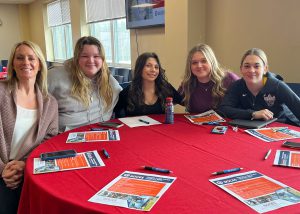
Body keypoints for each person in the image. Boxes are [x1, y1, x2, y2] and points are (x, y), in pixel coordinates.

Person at [0, 41, 58, 214]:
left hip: (29, 169)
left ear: (39, 65)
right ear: (13, 64)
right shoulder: (1, 92)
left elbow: (50, 140)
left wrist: (25, 164)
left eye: (31, 58)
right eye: (20, 58)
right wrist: (3, 169)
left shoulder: (50, 103)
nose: (26, 62)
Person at [48, 36, 122, 132]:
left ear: (102, 60)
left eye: (96, 56)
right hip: (64, 136)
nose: (91, 61)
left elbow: (122, 97)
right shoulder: (54, 76)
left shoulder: (109, 81)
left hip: (100, 134)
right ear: (76, 58)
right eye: (85, 56)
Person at [218, 48, 300, 125]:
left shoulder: (277, 85)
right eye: (247, 66)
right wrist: (253, 114)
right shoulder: (237, 85)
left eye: (256, 66)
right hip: (250, 129)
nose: (251, 70)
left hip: (278, 128)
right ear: (241, 69)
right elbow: (224, 109)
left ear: (265, 69)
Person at [114, 52, 182, 117]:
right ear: (140, 69)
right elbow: (115, 114)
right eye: (148, 66)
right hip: (136, 128)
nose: (153, 70)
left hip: (160, 128)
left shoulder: (165, 87)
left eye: (156, 67)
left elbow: (182, 101)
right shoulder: (127, 92)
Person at [179, 44, 239, 113]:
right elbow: (173, 99)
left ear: (212, 62)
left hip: (227, 123)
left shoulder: (229, 79)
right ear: (189, 66)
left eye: (204, 61)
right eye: (194, 63)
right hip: (197, 123)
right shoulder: (187, 84)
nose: (199, 66)